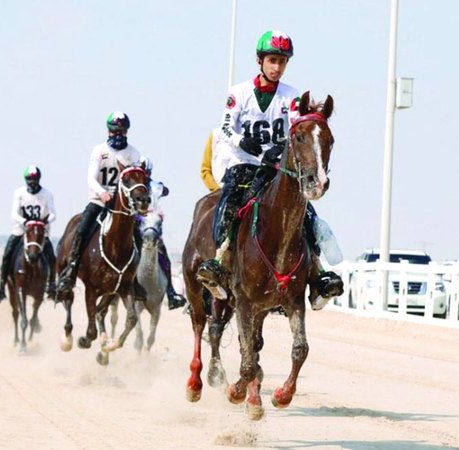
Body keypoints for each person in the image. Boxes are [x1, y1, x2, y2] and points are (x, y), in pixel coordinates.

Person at [196, 30, 342, 309]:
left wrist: (282, 150)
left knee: (305, 213)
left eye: (282, 62)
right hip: (242, 163)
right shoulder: (238, 93)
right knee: (229, 204)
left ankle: (319, 274)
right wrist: (242, 141)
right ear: (260, 61)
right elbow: (225, 127)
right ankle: (218, 262)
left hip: (275, 167)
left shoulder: (291, 96)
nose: (277, 67)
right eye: (272, 60)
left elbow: (295, 128)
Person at [55, 111, 144, 299]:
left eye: (122, 131)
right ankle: (71, 271)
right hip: (99, 200)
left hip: (122, 204)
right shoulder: (99, 151)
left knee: (138, 236)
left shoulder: (134, 153)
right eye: (114, 131)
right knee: (81, 230)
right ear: (108, 131)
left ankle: (134, 280)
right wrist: (102, 193)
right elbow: (91, 177)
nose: (118, 134)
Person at [0, 165, 57, 304]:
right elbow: (14, 213)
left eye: (34, 179)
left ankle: (51, 286)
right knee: (7, 254)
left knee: (52, 256)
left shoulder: (47, 194)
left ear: (38, 179)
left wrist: (43, 222)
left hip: (40, 232)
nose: (32, 182)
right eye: (29, 179)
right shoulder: (19, 193)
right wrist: (25, 221)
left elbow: (53, 214)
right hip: (21, 230)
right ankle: (1, 288)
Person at [139, 156, 187, 310]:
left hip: (151, 228)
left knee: (164, 257)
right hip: (135, 226)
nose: (143, 175)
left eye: (145, 172)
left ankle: (171, 293)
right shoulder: (131, 185)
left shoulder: (154, 186)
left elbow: (165, 190)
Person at [200, 128, 224, 192]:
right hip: (221, 193)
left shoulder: (253, 133)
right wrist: (217, 189)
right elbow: (205, 170)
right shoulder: (215, 135)